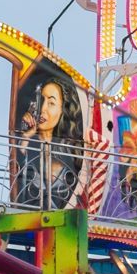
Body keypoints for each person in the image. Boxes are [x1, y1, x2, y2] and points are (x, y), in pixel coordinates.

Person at [16, 75, 85, 209]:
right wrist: (26, 136)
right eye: (41, 100)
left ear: (62, 110)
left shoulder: (69, 153)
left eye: (51, 103)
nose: (43, 109)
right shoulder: (27, 145)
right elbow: (18, 186)